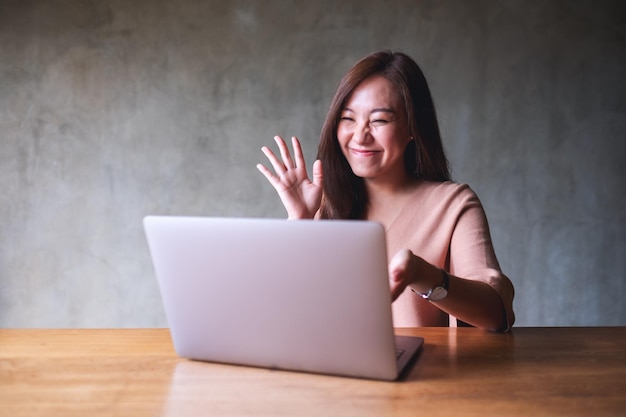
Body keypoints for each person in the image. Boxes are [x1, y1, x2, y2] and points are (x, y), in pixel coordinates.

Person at [257, 51, 515, 332]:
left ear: (413, 127)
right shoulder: (324, 207)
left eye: (379, 120)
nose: (359, 136)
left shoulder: (453, 205)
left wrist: (422, 275)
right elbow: (276, 314)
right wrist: (300, 223)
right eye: (348, 119)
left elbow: (496, 313)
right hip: (331, 372)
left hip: (420, 373)